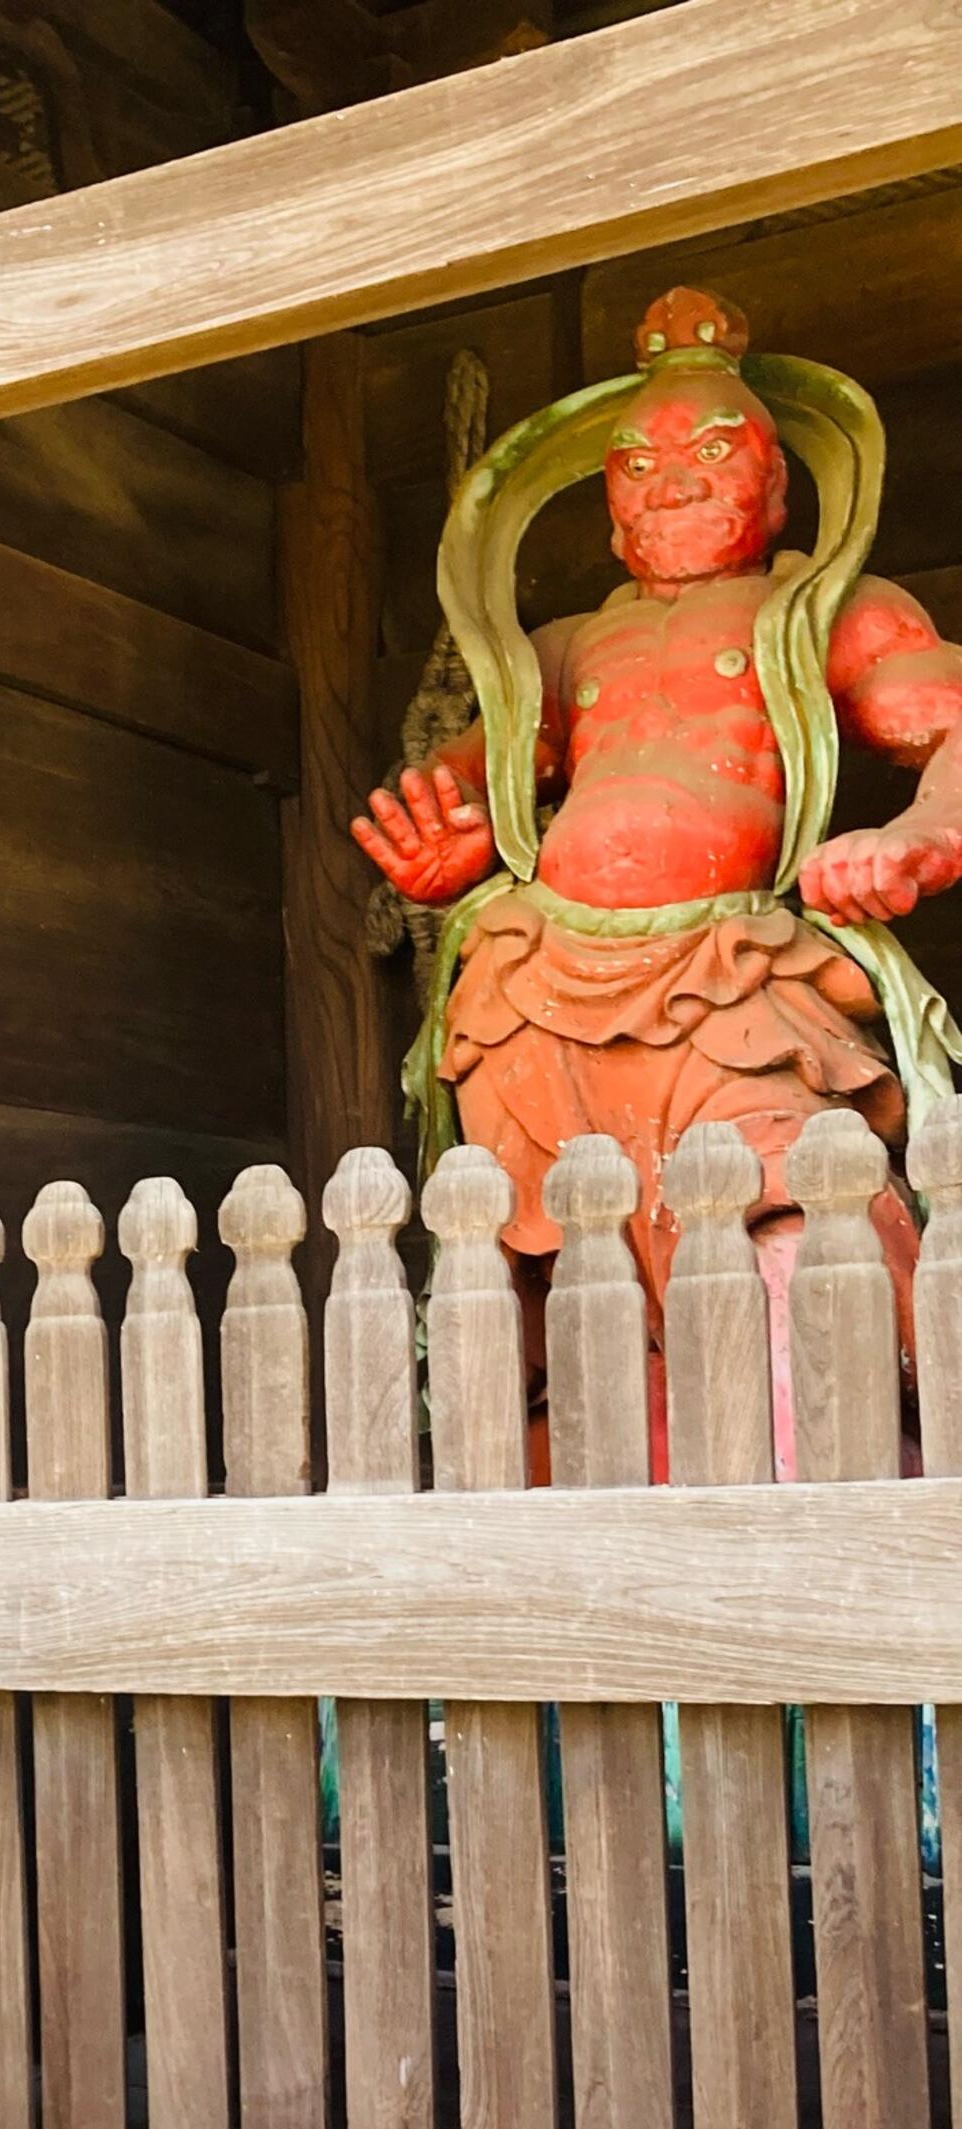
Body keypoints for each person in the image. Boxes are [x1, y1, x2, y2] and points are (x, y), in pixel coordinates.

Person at [353, 286, 962, 1378]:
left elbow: (952, 725)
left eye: (714, 450)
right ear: (604, 506)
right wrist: (453, 854)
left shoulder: (821, 609)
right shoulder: (562, 646)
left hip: (730, 976)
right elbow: (465, 788)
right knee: (548, 1253)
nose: (671, 479)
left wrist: (916, 835)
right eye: (634, 465)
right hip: (533, 980)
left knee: (790, 1206)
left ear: (777, 486)